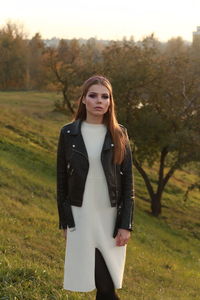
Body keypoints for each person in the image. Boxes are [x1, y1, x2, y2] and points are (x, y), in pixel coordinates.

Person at [56, 75, 134, 300]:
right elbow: (61, 180)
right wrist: (65, 221)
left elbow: (128, 184)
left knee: (107, 286)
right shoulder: (68, 133)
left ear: (110, 102)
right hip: (81, 217)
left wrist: (125, 224)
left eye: (104, 96)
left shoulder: (119, 134)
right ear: (83, 100)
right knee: (103, 285)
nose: (99, 101)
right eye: (93, 95)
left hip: (110, 218)